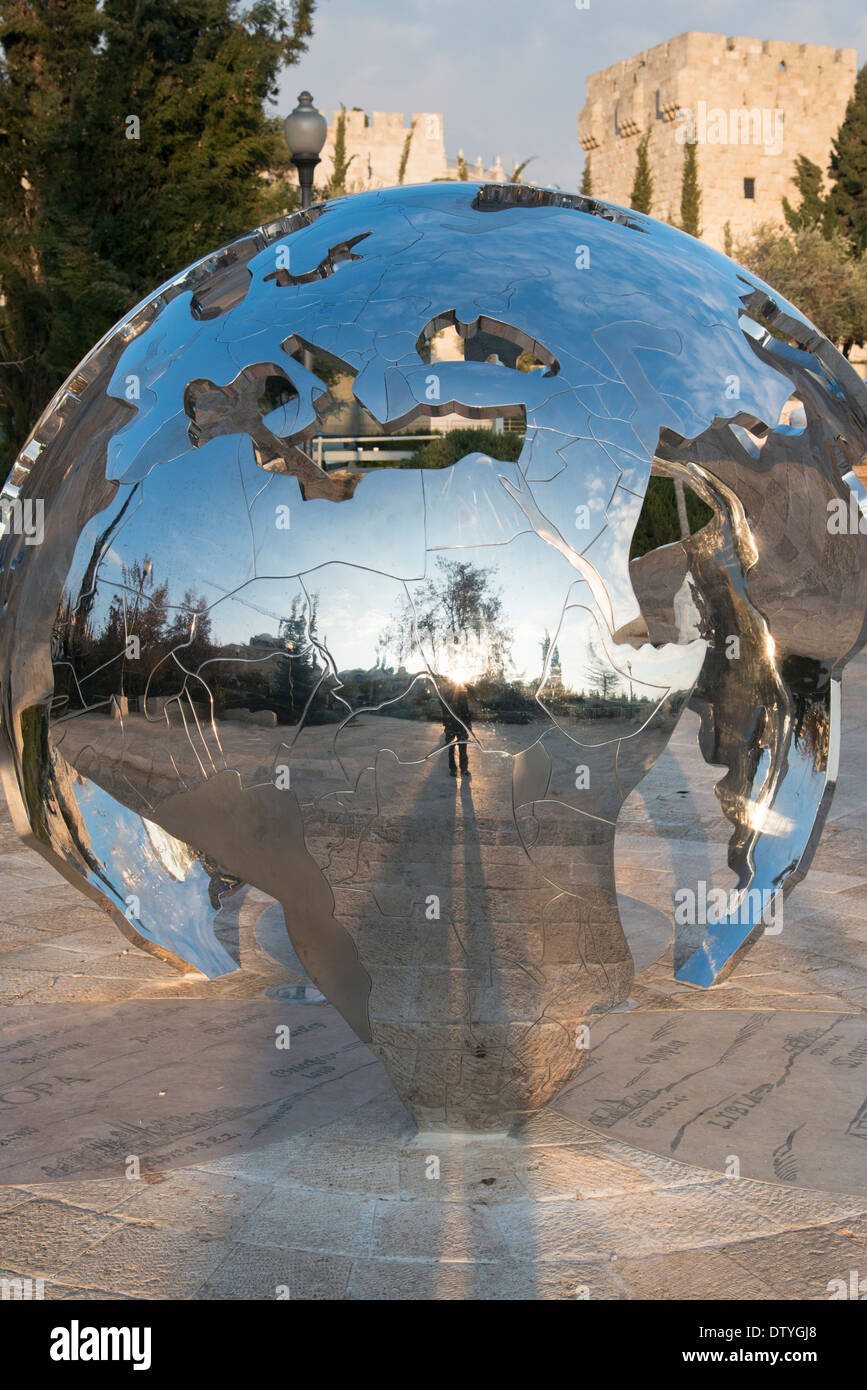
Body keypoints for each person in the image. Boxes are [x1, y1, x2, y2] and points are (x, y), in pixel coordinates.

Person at [440, 679, 473, 778]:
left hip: (460, 725)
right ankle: (454, 769)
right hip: (451, 725)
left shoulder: (461, 695)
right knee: (452, 748)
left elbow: (466, 710)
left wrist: (468, 724)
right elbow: (443, 708)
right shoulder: (446, 696)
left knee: (461, 748)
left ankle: (463, 769)